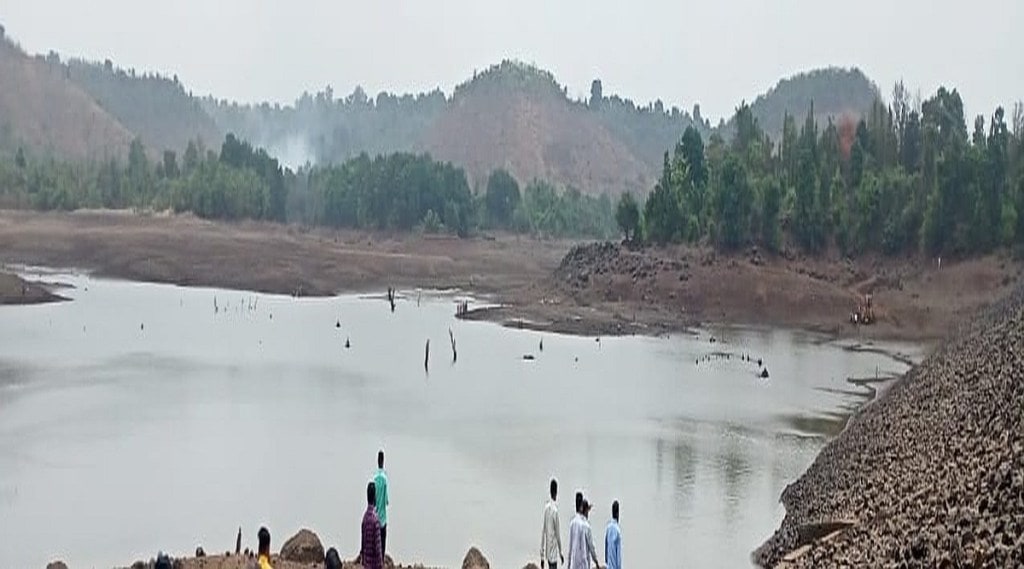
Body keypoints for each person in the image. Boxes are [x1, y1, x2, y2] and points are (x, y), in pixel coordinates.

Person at [540, 478, 564, 569]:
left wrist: (542, 555)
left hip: (547, 551)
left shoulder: (546, 508)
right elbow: (557, 534)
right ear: (556, 492)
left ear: (550, 491)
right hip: (553, 552)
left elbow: (543, 531)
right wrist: (561, 552)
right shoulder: (555, 511)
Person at [361, 481, 384, 569]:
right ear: (375, 497)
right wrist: (380, 564)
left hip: (367, 564)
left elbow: (363, 543)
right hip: (374, 564)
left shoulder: (364, 518)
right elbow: (378, 546)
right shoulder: (375, 520)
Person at [374, 450, 390, 558]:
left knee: (375, 543)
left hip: (375, 517)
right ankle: (382, 560)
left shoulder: (375, 478)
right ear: (383, 461)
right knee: (383, 543)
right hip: (383, 519)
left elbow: (373, 499)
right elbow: (386, 501)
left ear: (377, 461)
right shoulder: (384, 479)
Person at [582, 500, 600, 569]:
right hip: (585, 562)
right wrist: (596, 561)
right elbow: (591, 546)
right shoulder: (587, 526)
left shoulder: (575, 524)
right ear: (586, 511)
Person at [605, 501, 621, 569]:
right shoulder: (617, 531)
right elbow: (618, 556)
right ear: (618, 513)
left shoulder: (608, 528)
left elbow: (606, 549)